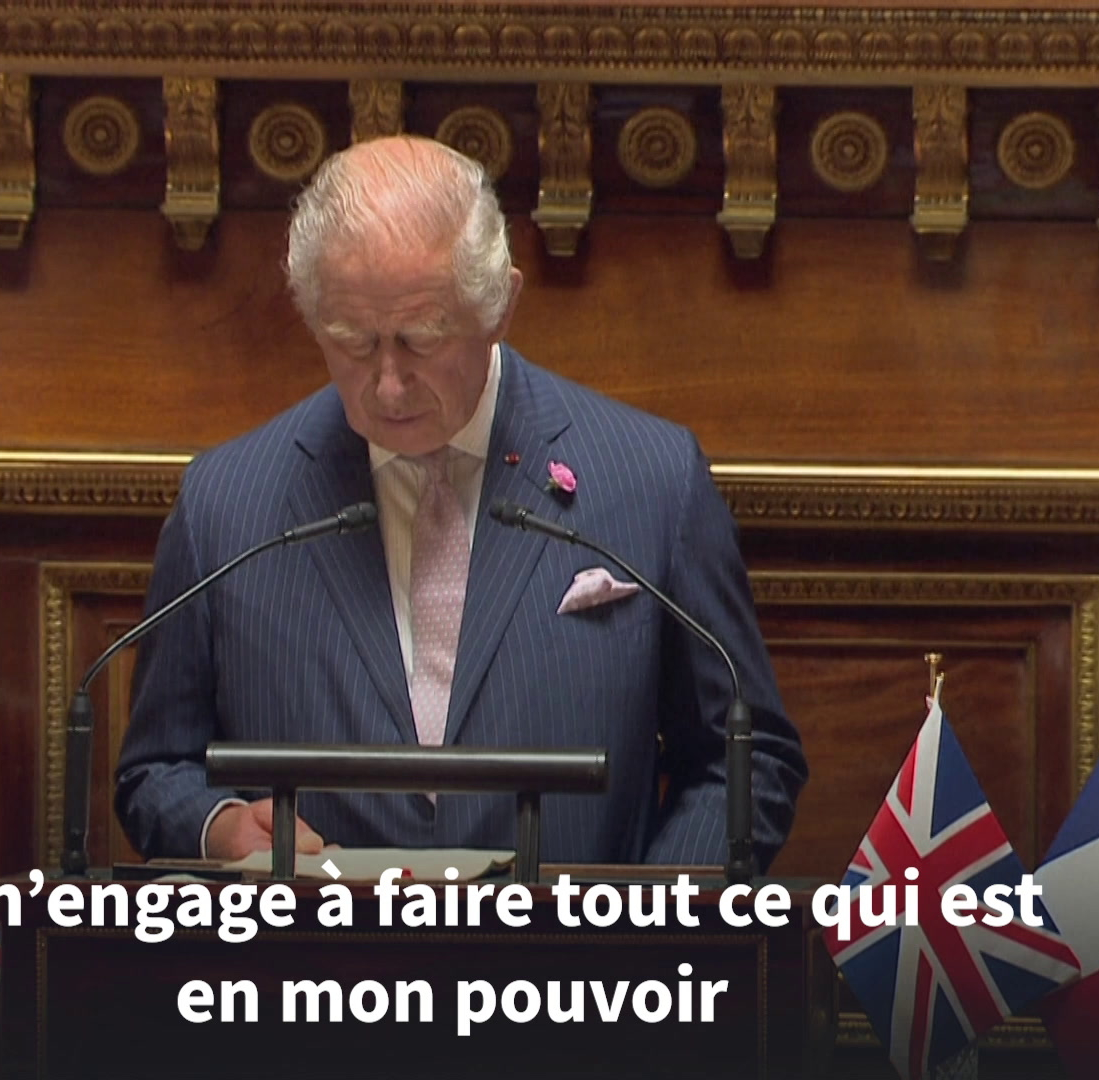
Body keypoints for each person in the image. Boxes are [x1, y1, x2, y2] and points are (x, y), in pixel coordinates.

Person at [114, 136, 805, 867]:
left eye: (420, 340)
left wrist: (639, 926)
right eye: (352, 342)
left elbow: (748, 758)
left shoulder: (651, 479)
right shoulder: (227, 503)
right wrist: (217, 824)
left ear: (500, 305)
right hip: (314, 971)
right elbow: (155, 771)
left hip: (580, 967)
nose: (387, 385)